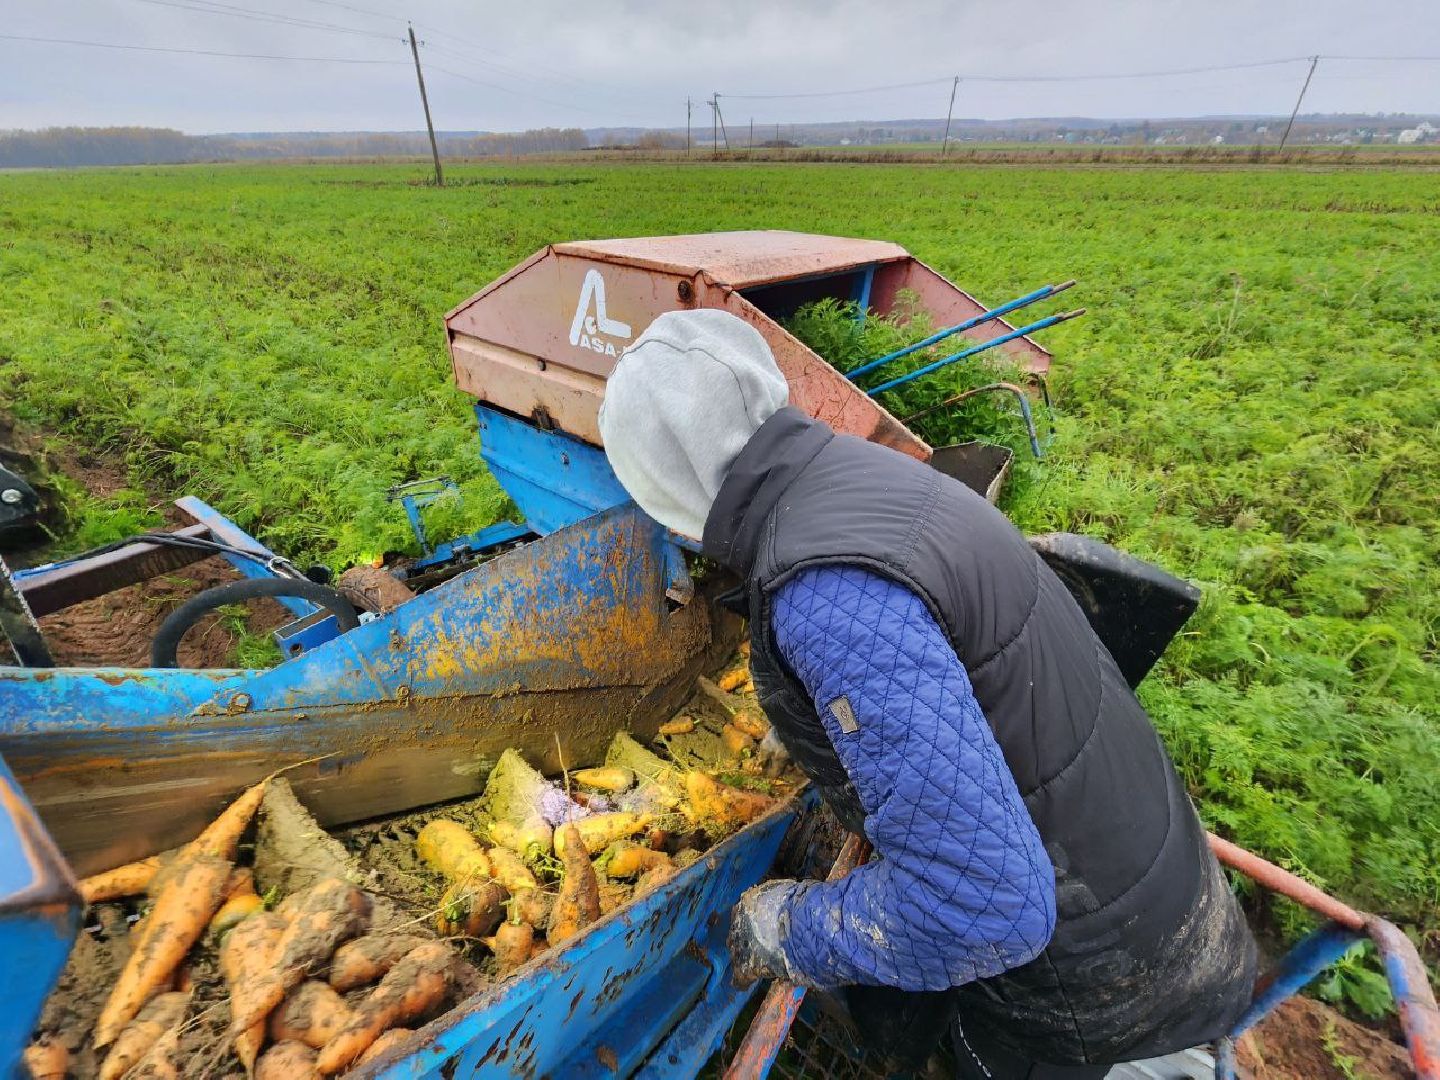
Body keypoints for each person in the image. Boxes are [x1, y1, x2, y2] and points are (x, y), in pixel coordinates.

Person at [598, 309, 1256, 1079]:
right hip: (1155, 887)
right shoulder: (863, 474)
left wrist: (791, 927)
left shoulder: (824, 591)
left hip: (1096, 990)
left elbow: (983, 909)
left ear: (662, 482)